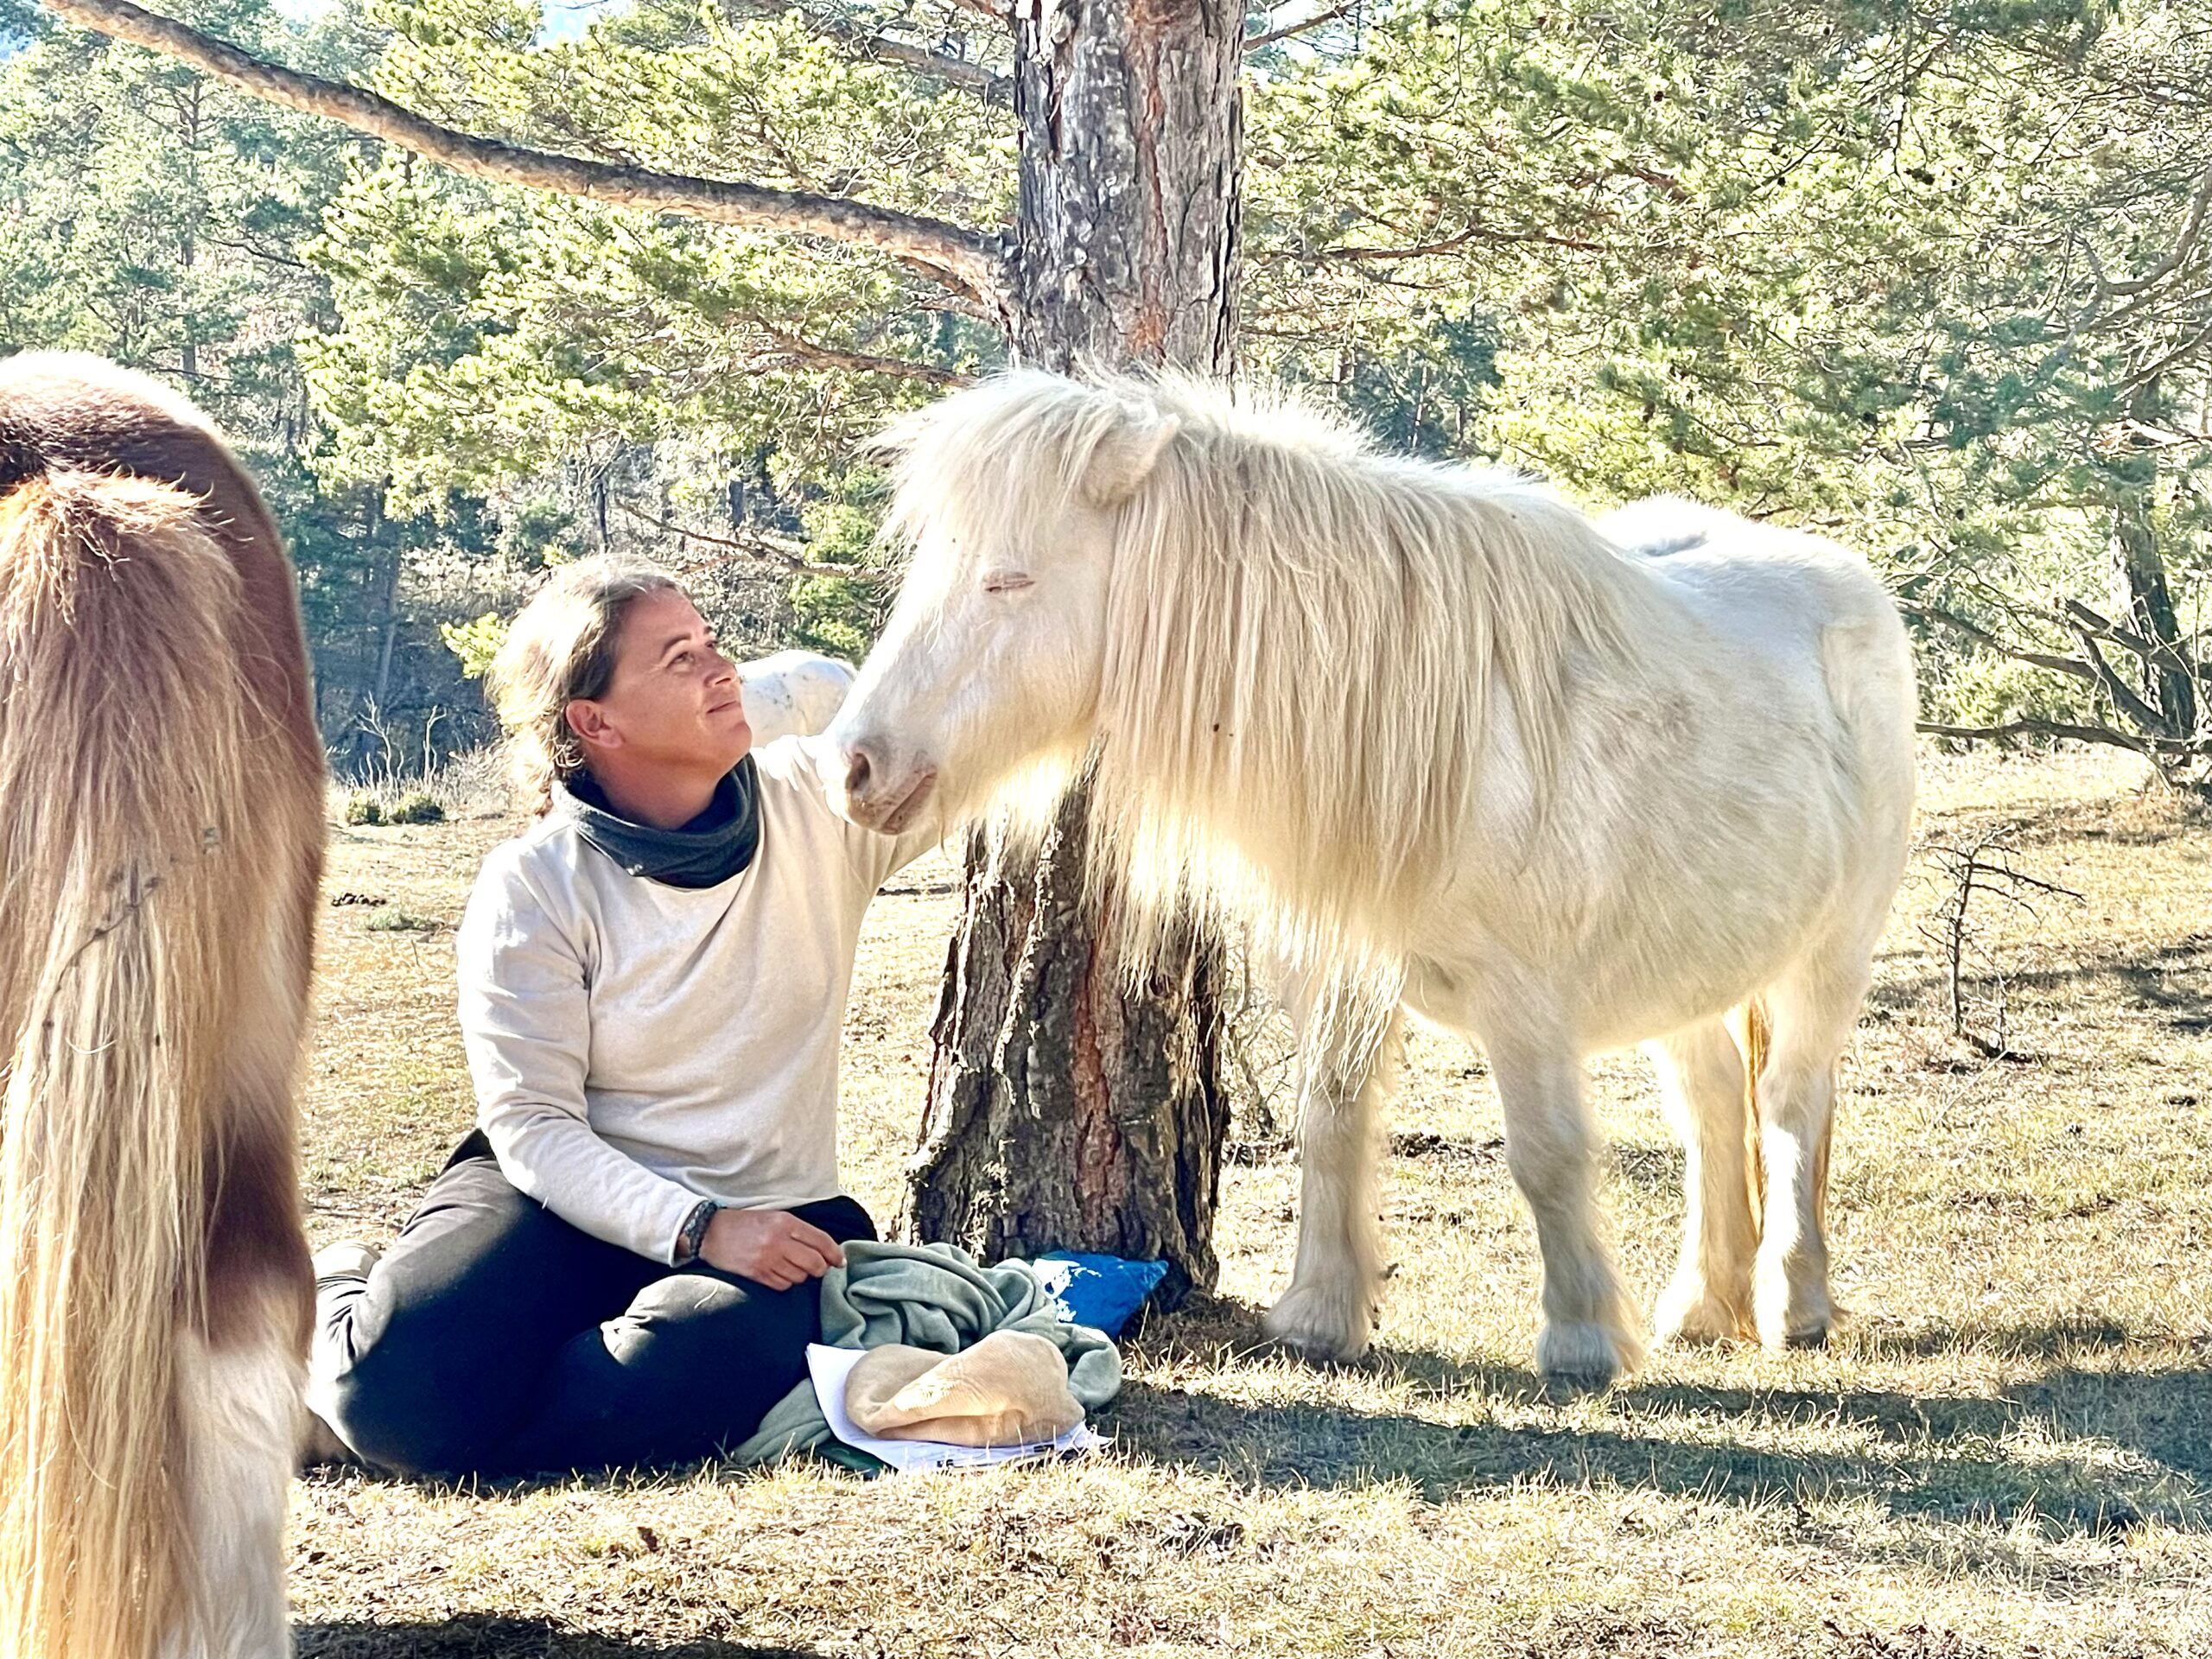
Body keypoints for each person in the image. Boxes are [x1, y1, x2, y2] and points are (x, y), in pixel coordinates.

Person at [307, 556, 936, 1478]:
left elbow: (846, 693)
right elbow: (532, 1126)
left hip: (769, 1214)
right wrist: (694, 1229)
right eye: (677, 659)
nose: (719, 668)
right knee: (388, 1393)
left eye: (713, 644)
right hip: (556, 1199)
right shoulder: (537, 884)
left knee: (685, 1367)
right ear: (595, 722)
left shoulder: (822, 807)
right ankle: (337, 1295)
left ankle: (457, 1430)